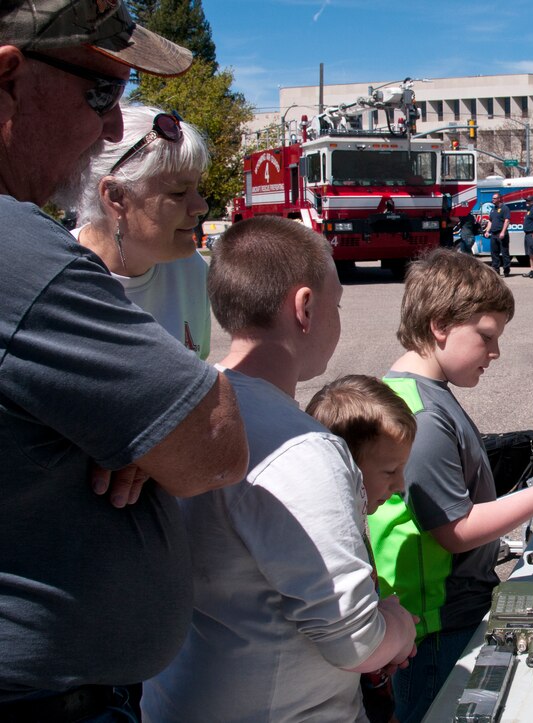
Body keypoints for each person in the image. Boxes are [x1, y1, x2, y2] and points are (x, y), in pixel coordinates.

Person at [0, 2, 249, 719]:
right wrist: (160, 422)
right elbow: (213, 444)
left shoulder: (179, 271)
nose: (115, 125)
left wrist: (145, 423)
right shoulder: (29, 258)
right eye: (102, 92)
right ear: (10, 80)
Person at [143, 216, 418, 722]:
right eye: (336, 305)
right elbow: (355, 639)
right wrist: (399, 626)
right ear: (305, 308)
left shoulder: (178, 406)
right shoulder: (303, 448)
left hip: (179, 698)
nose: (339, 320)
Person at [368, 249, 533, 723]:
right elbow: (455, 529)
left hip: (440, 616)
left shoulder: (421, 392)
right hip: (440, 625)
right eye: (487, 337)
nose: (495, 352)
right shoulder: (424, 416)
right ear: (440, 325)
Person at [307, 374, 417, 723]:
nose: (400, 485)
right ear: (344, 467)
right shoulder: (330, 534)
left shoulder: (354, 521)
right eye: (389, 471)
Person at [75, 103, 212, 359]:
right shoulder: (57, 277)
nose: (200, 206)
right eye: (179, 193)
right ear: (115, 196)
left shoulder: (191, 270)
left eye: (196, 189)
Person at [483, 191, 510, 276]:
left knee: (504, 253)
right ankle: (496, 270)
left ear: (499, 199)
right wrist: (487, 231)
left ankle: (506, 269)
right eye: (492, 198)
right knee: (494, 253)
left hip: (501, 234)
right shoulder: (493, 209)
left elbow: (507, 220)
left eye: (494, 198)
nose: (493, 200)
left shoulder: (504, 208)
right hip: (494, 234)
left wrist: (503, 232)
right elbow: (490, 221)